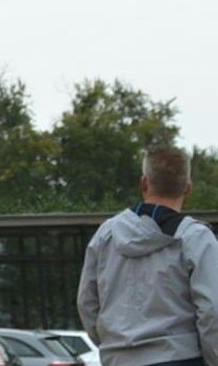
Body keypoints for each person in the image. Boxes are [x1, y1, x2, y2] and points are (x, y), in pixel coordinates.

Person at [77, 145, 218, 366]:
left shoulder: (106, 235)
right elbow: (212, 310)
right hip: (179, 357)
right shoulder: (195, 237)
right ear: (188, 188)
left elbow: (87, 303)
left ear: (144, 183)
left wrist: (114, 345)